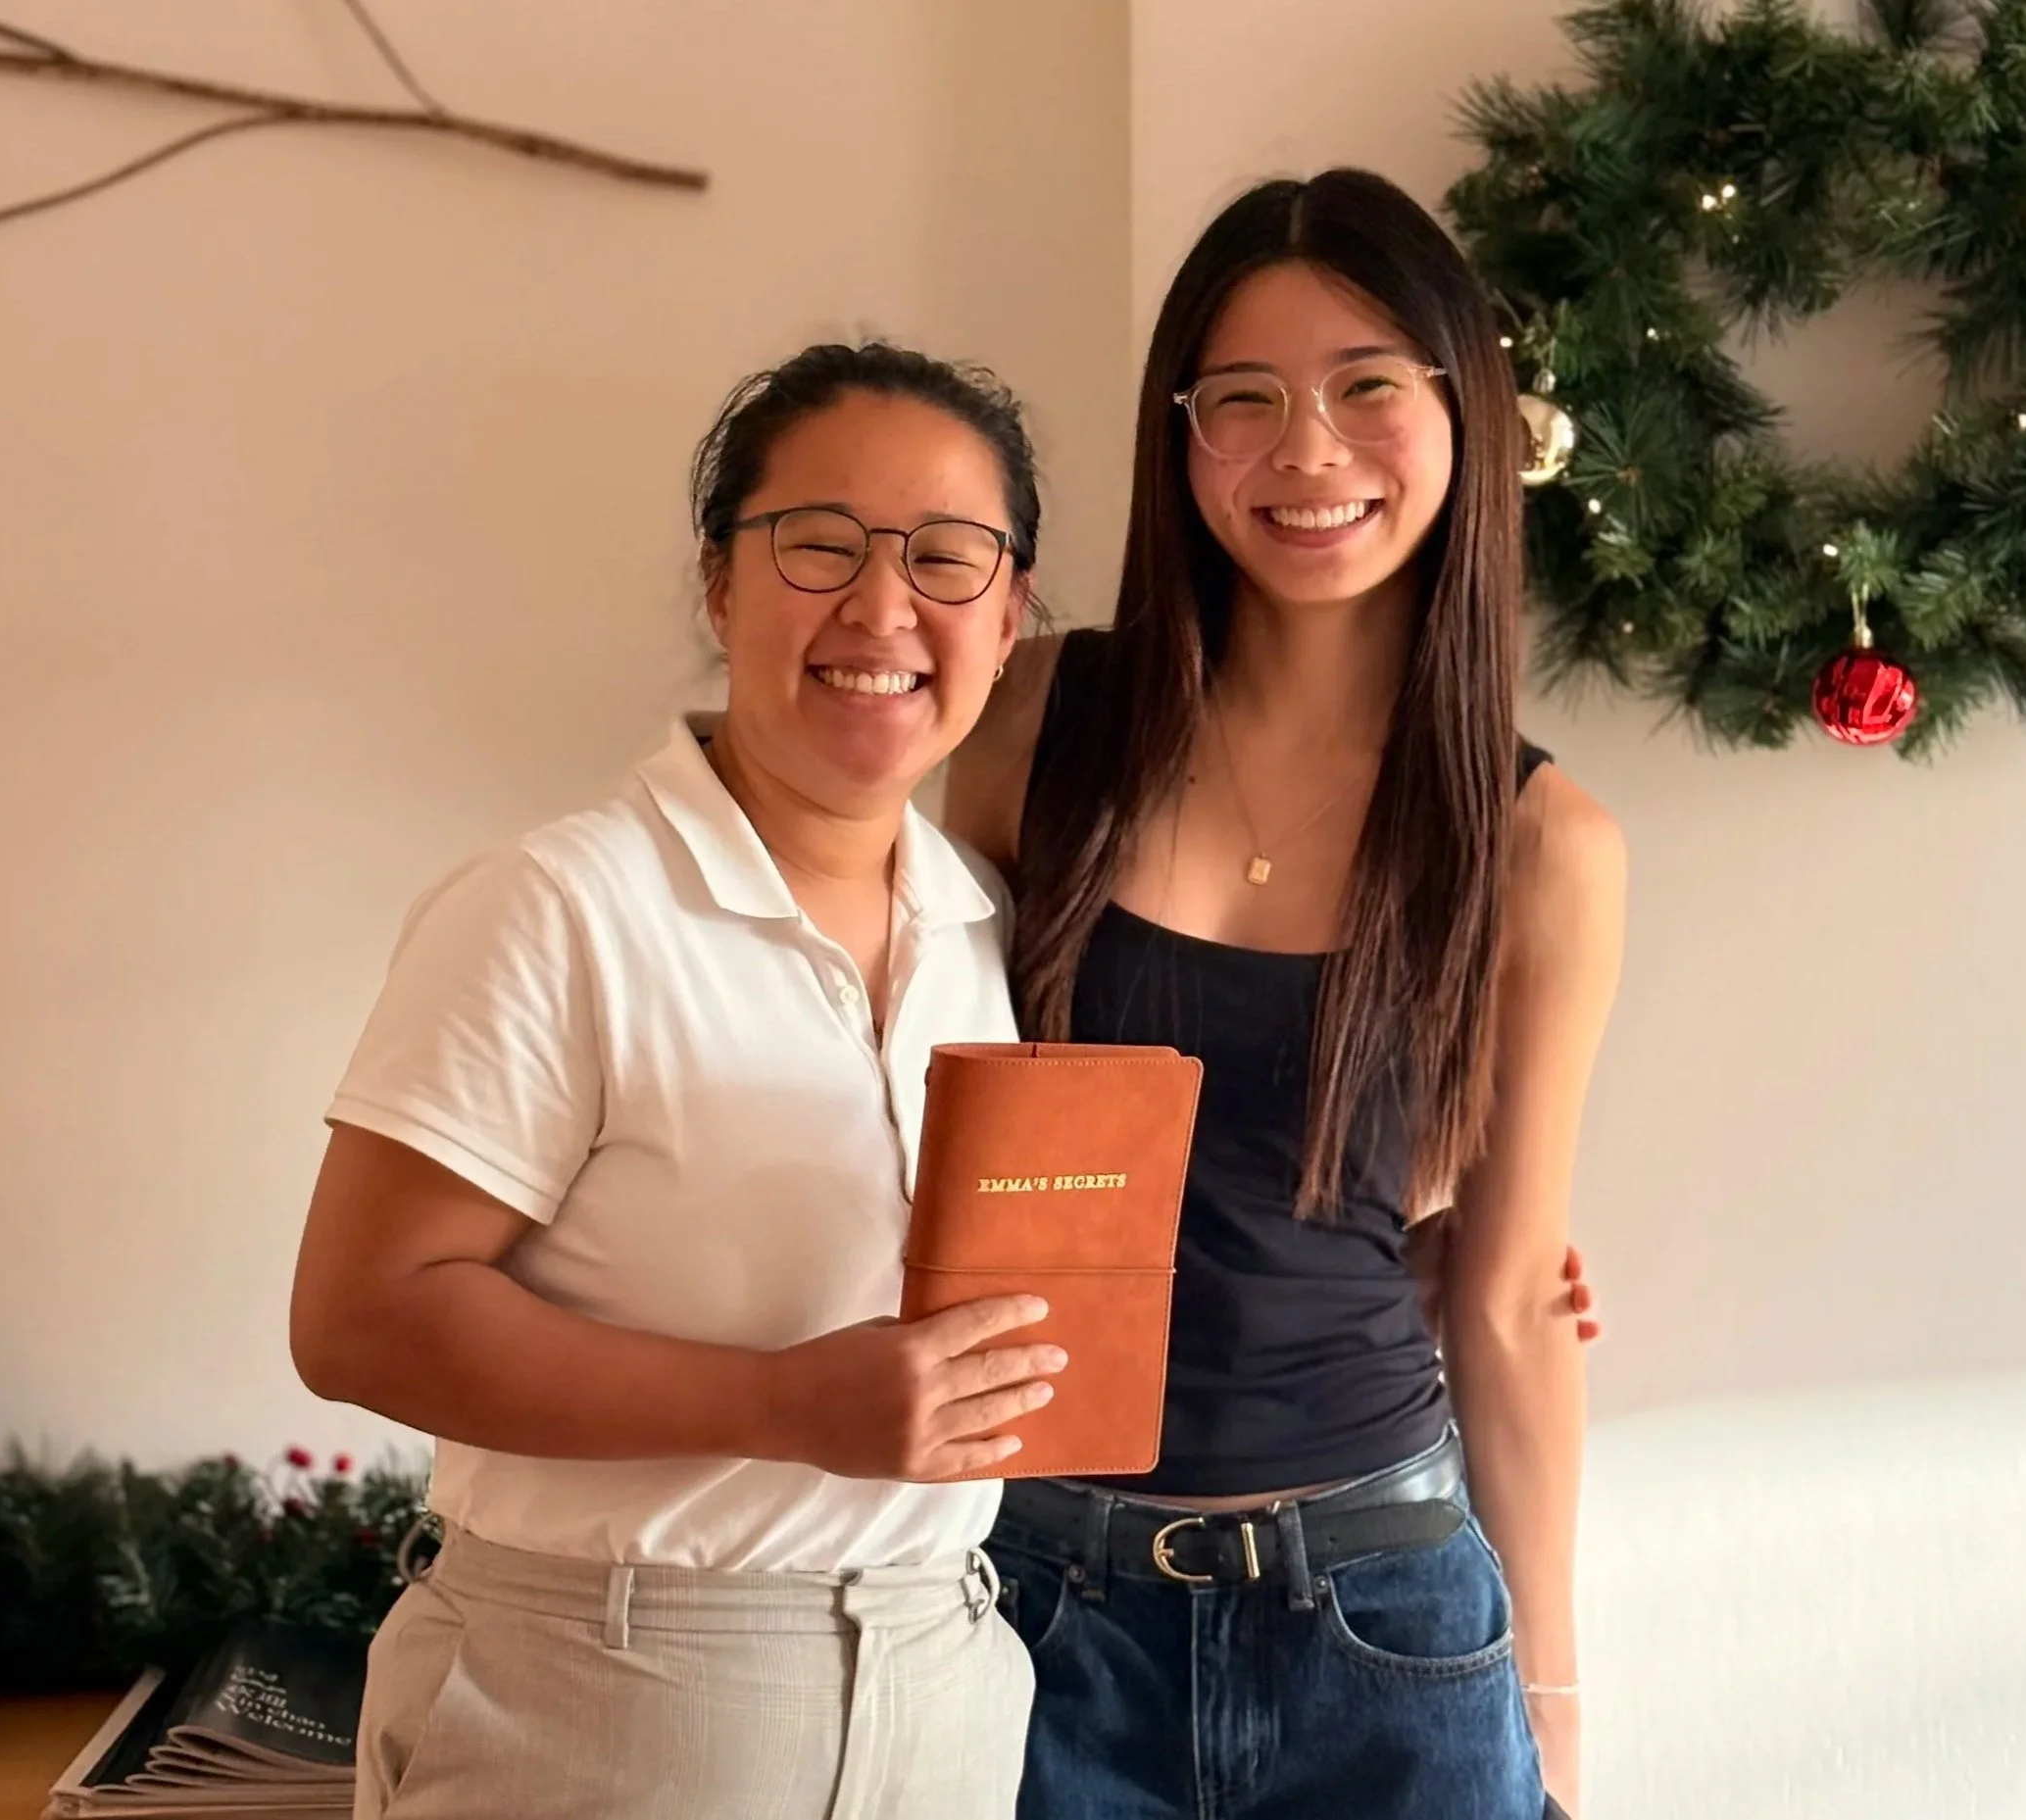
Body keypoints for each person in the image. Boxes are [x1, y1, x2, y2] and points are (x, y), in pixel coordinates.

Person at [287, 342, 1071, 1820]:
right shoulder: (559, 905)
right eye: (817, 544)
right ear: (721, 584)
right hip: (604, 1696)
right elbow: (359, 1320)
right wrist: (780, 1405)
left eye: (947, 558)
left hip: (946, 1681)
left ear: (1009, 609)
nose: (882, 606)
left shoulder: (999, 928)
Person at [945, 168, 1628, 1818]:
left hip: (1381, 1624)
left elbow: (1510, 1298)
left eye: (1367, 388)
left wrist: (1548, 1686)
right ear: (1177, 441)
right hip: (1035, 1607)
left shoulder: (1544, 846)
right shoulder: (1034, 721)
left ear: (1463, 410)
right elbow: (889, 1088)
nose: (1305, 453)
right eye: (1239, 400)